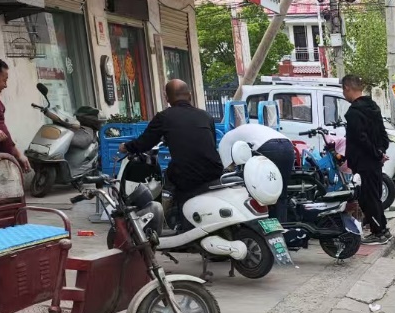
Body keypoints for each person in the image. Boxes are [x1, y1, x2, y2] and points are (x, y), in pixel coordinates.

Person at [121, 79, 223, 224]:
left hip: (187, 176)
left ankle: (175, 221)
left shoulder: (163, 117)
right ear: (190, 95)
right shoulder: (206, 116)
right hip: (214, 172)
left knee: (170, 178)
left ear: (167, 98)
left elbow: (144, 143)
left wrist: (126, 147)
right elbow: (211, 142)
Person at [340, 74, 390, 244]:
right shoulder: (373, 107)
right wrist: (381, 152)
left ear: (347, 88)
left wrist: (377, 154)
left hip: (363, 162)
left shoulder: (353, 112)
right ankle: (382, 229)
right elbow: (383, 134)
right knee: (374, 196)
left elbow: (361, 139)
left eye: (343, 90)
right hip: (374, 161)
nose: (344, 94)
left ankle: (378, 233)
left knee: (368, 198)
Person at [219, 121, 295, 223]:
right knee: (280, 193)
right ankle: (282, 225)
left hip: (267, 146)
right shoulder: (242, 132)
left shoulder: (225, 141)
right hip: (287, 146)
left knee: (258, 192)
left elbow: (229, 167)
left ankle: (264, 226)